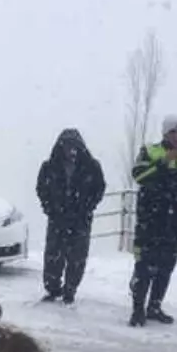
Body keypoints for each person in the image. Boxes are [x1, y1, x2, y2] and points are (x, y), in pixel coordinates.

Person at [128, 114, 177, 327]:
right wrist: (163, 164)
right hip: (150, 218)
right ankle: (137, 309)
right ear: (165, 133)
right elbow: (139, 176)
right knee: (144, 264)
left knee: (166, 265)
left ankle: (155, 306)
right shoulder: (150, 151)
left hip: (176, 220)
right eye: (173, 131)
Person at [35, 128, 106, 305]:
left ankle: (70, 290)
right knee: (53, 255)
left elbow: (99, 188)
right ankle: (52, 288)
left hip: (80, 219)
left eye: (74, 146)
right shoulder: (49, 166)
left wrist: (88, 207)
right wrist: (49, 208)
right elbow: (41, 188)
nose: (71, 150)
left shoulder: (91, 166)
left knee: (77, 257)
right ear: (60, 147)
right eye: (67, 146)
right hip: (57, 218)